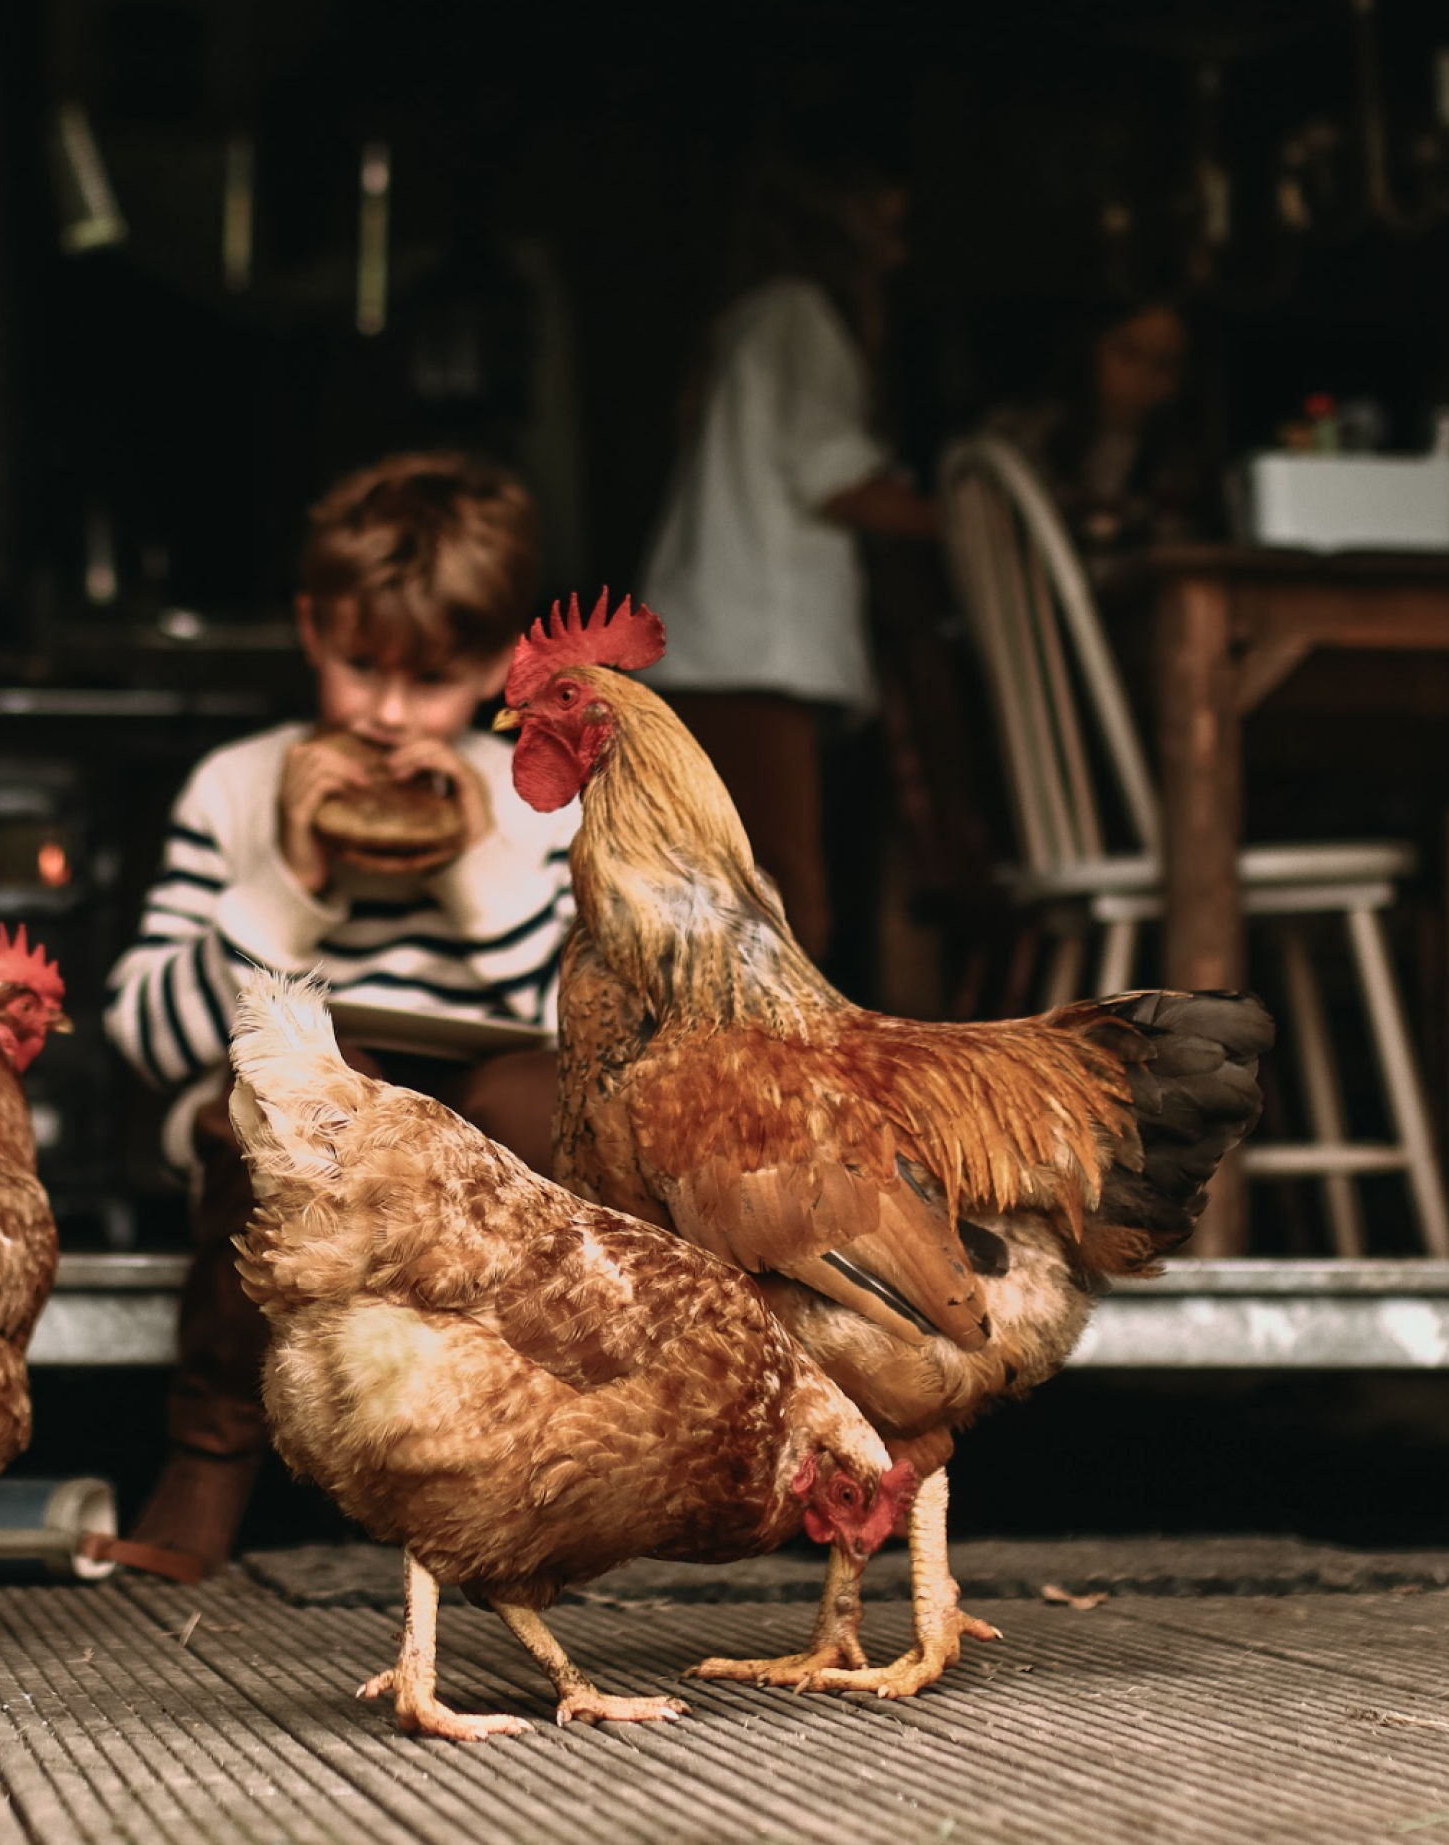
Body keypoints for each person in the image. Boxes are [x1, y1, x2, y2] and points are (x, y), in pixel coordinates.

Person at [103, 451, 576, 1574]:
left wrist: (474, 865)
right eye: (361, 668)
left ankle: (538, 1471)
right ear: (313, 630)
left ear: (498, 670)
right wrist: (289, 887)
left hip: (483, 1089)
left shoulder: (530, 801)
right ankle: (208, 1458)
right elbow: (145, 1032)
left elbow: (568, 1012)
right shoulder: (235, 785)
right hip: (316, 1077)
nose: (390, 714)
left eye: (433, 681)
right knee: (288, 1103)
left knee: (547, 1114)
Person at [637, 148, 937, 963]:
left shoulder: (751, 318)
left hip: (717, 644)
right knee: (777, 894)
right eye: (888, 219)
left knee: (725, 887)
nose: (900, 243)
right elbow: (834, 477)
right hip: (744, 652)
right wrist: (964, 525)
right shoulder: (800, 316)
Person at [987, 295, 1212, 556]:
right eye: (1129, 353)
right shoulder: (1017, 438)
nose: (1143, 375)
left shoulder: (1178, 466)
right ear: (1091, 348)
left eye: (1164, 363)